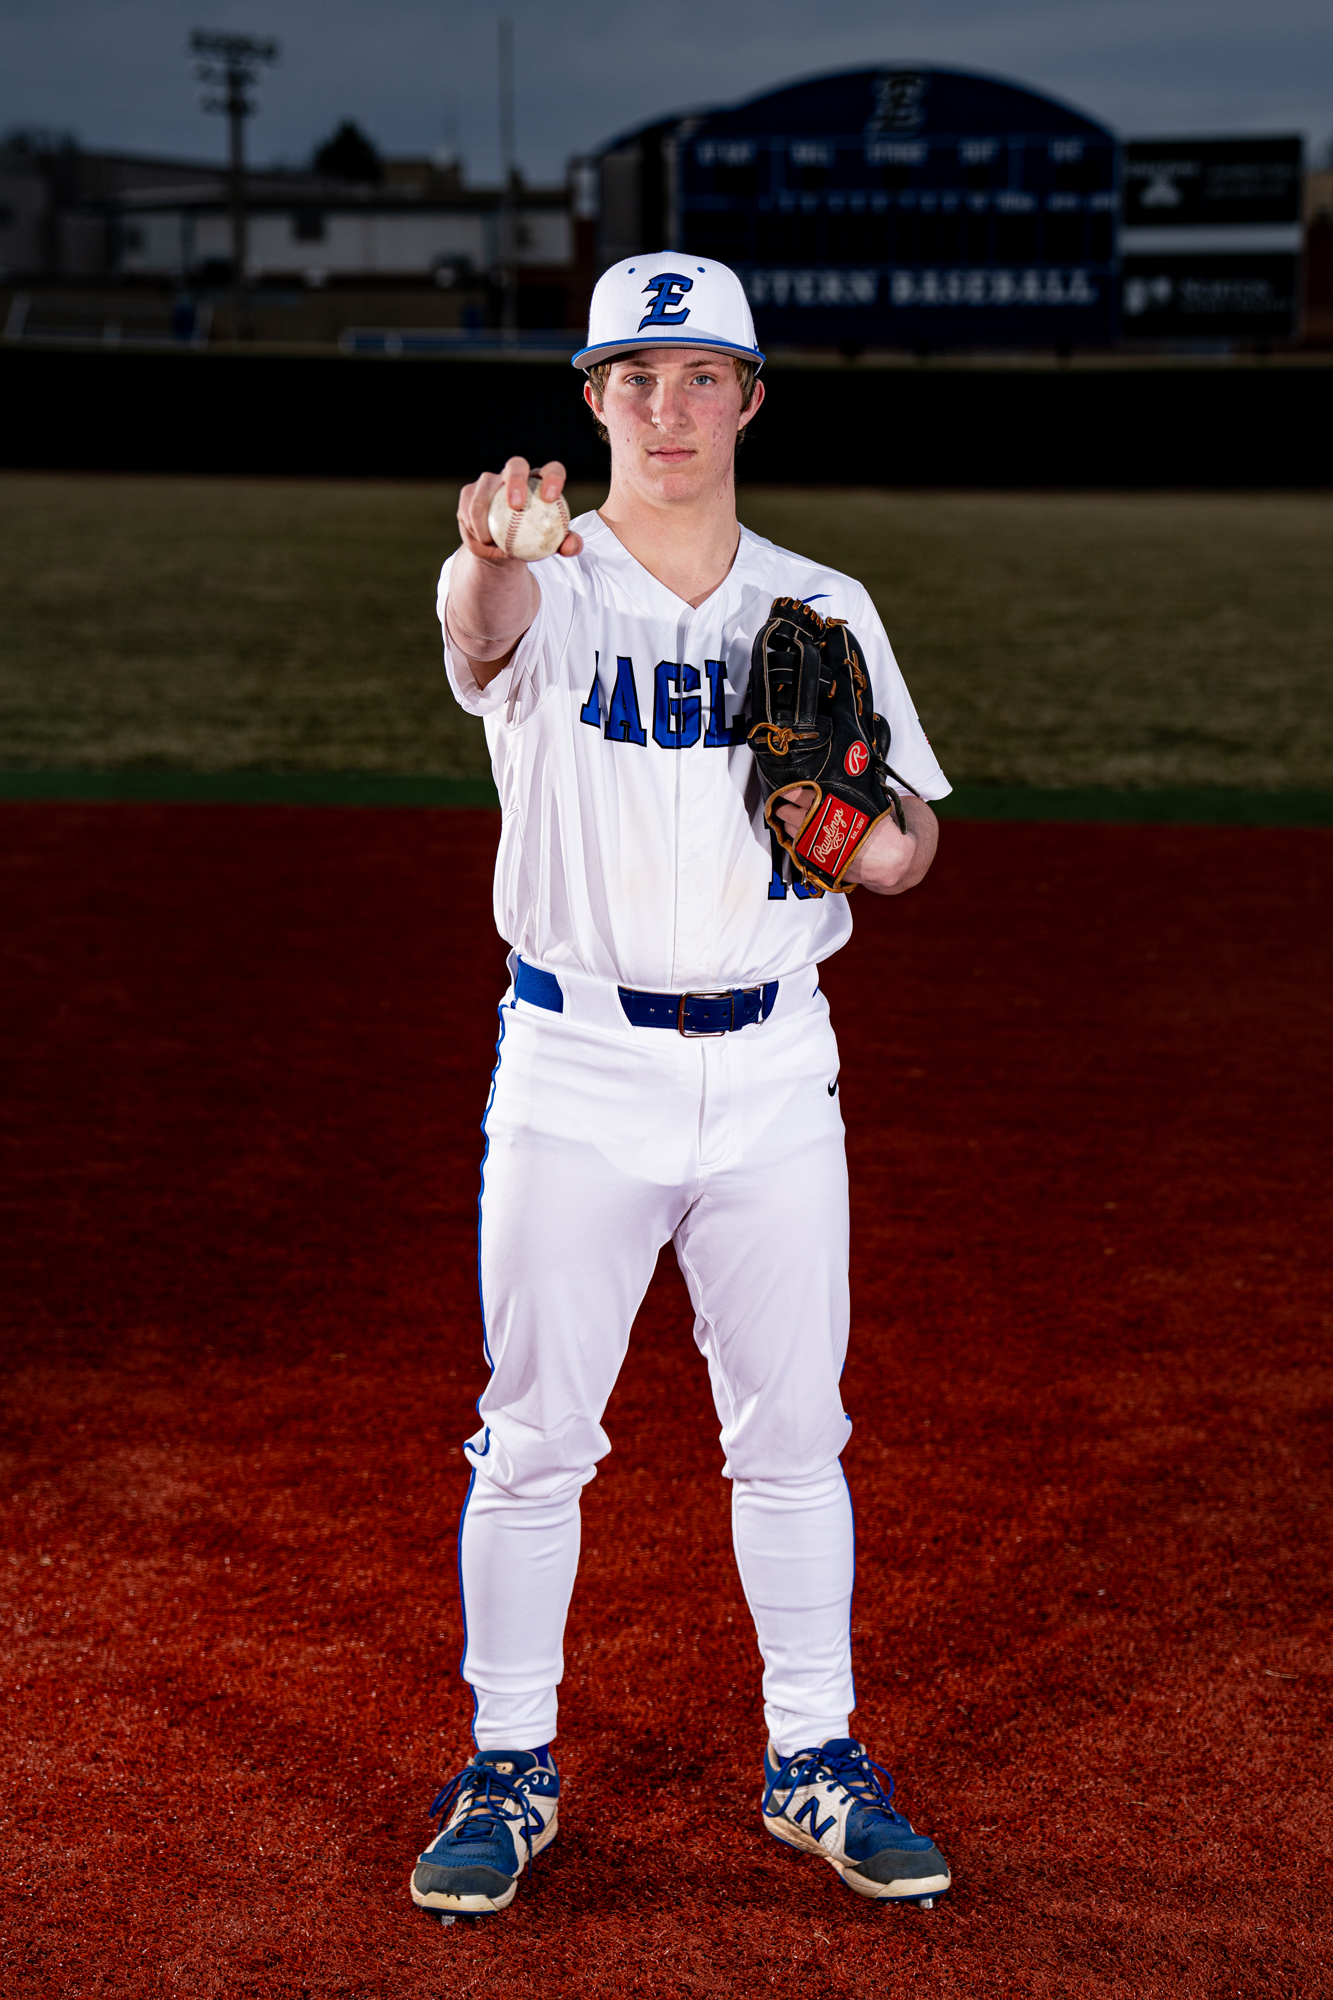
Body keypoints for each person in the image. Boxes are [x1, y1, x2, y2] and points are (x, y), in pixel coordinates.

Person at [410, 256, 952, 1919]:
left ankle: (812, 1756)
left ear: (748, 399)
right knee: (533, 1439)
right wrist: (486, 556)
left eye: (700, 375)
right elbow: (478, 629)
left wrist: (870, 840)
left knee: (794, 1436)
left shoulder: (822, 607)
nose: (667, 407)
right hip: (576, 1065)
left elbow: (911, 841)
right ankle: (508, 1763)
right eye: (634, 379)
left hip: (775, 1068)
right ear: (592, 401)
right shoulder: (545, 581)